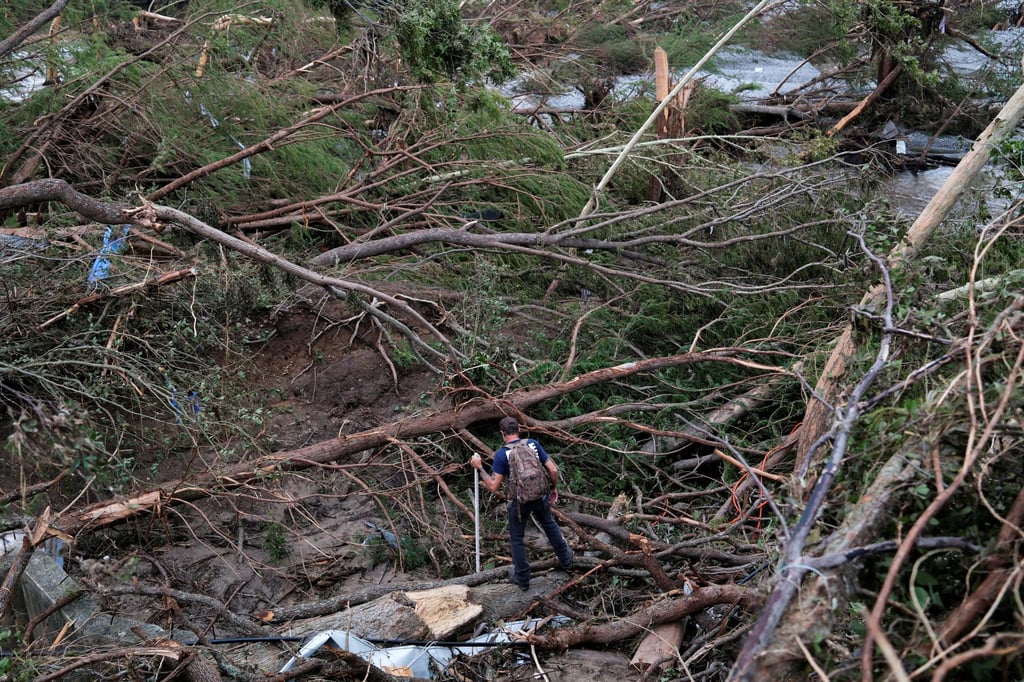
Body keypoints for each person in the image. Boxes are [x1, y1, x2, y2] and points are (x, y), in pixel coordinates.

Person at [470, 416, 573, 591]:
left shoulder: (502, 454)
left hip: (520, 502)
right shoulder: (532, 443)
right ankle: (567, 561)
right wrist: (552, 488)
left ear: (502, 434)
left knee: (517, 538)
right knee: (549, 524)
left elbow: (494, 485)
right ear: (519, 430)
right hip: (540, 495)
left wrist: (479, 467)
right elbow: (553, 469)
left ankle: (523, 579)